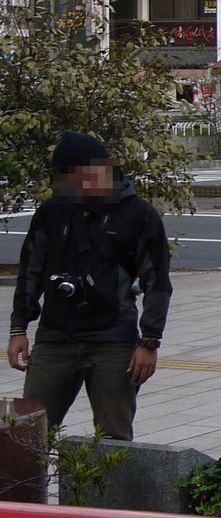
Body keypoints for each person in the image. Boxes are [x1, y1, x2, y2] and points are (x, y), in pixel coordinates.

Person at [7, 132, 173, 440]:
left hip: (114, 342)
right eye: (70, 180)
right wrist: (19, 329)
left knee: (113, 440)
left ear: (107, 166)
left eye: (84, 178)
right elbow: (31, 272)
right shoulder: (52, 212)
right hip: (55, 339)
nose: (78, 187)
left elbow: (158, 283)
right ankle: (25, 490)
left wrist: (149, 341)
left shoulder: (139, 214)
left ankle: (112, 490)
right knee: (29, 437)